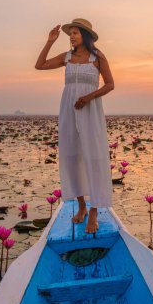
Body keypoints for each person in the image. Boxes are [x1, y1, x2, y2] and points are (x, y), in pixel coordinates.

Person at [35, 18, 114, 233]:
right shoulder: (67, 57)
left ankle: (95, 211)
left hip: (90, 110)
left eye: (75, 33)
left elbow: (110, 84)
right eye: (70, 33)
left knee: (95, 157)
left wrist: (88, 97)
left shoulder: (98, 57)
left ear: (85, 36)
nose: (71, 36)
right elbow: (39, 65)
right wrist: (50, 41)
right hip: (69, 110)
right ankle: (81, 206)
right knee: (71, 155)